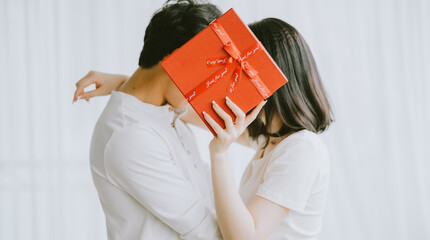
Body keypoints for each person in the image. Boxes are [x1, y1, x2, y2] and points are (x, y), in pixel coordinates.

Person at [75, 18, 333, 240]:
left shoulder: (301, 149)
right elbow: (197, 114)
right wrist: (128, 84)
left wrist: (219, 155)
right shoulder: (273, 142)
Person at [79, 1, 226, 239]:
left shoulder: (167, 113)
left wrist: (122, 82)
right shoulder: (130, 135)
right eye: (206, 72)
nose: (207, 86)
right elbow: (209, 233)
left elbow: (251, 134)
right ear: (177, 59)